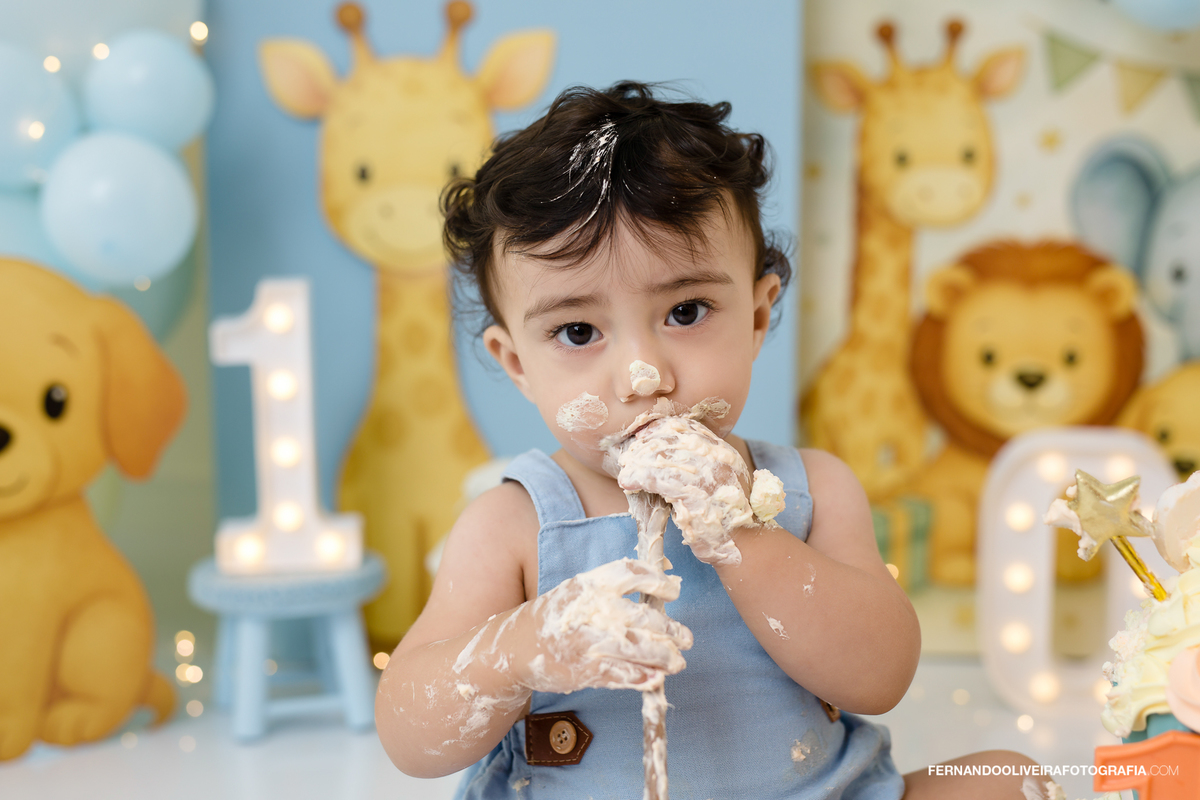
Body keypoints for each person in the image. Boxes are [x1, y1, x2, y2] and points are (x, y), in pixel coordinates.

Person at [376, 81, 1036, 799]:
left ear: (757, 316)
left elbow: (880, 678)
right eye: (577, 332)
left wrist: (741, 532)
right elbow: (411, 736)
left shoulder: (812, 490)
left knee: (1014, 778)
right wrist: (519, 648)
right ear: (517, 365)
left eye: (686, 311)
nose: (643, 374)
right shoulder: (514, 524)